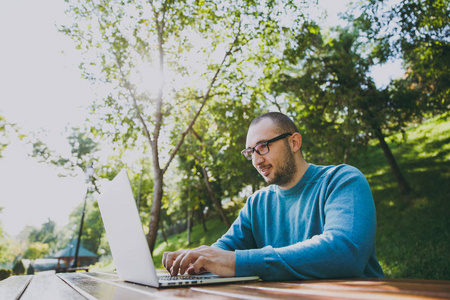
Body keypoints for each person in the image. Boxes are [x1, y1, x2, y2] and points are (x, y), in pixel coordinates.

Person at [162, 112, 384, 280]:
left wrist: (236, 262)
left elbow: (345, 253)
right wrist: (194, 260)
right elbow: (222, 251)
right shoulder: (257, 204)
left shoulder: (342, 180)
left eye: (263, 146)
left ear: (294, 142)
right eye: (251, 152)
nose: (256, 161)